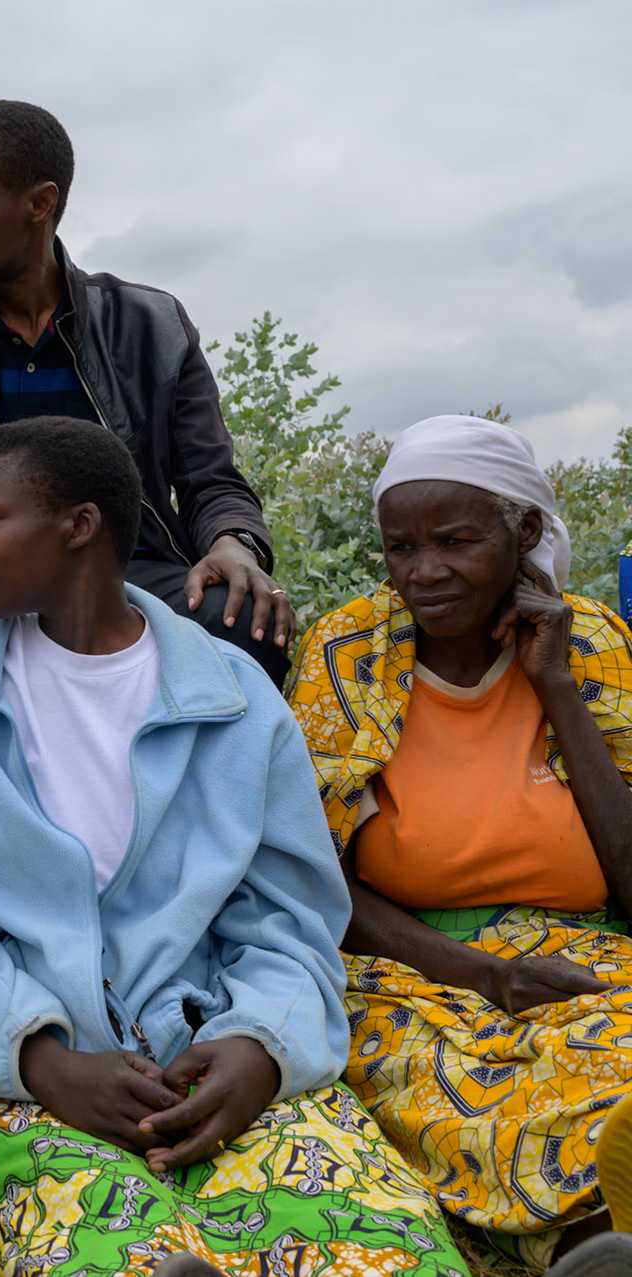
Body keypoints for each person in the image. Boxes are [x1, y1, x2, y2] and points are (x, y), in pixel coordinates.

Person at [0, 417, 463, 1276]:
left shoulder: (232, 694)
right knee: (105, 1246)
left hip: (217, 1052)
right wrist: (45, 1058)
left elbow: (291, 915)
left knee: (368, 1234)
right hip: (21, 1070)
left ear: (78, 526)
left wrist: (258, 1048)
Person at [286, 415, 632, 1271]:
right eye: (400, 547)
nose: (423, 571)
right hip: (400, 966)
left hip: (582, 951)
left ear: (522, 535)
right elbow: (311, 883)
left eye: (454, 541)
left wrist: (553, 682)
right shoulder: (350, 652)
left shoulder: (592, 647)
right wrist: (485, 975)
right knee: (481, 1105)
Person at [0, 99, 294, 738]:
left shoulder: (155, 324)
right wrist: (6, 577)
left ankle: (212, 826)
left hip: (130, 572)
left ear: (39, 204)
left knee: (240, 617)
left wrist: (234, 543)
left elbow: (211, 480)